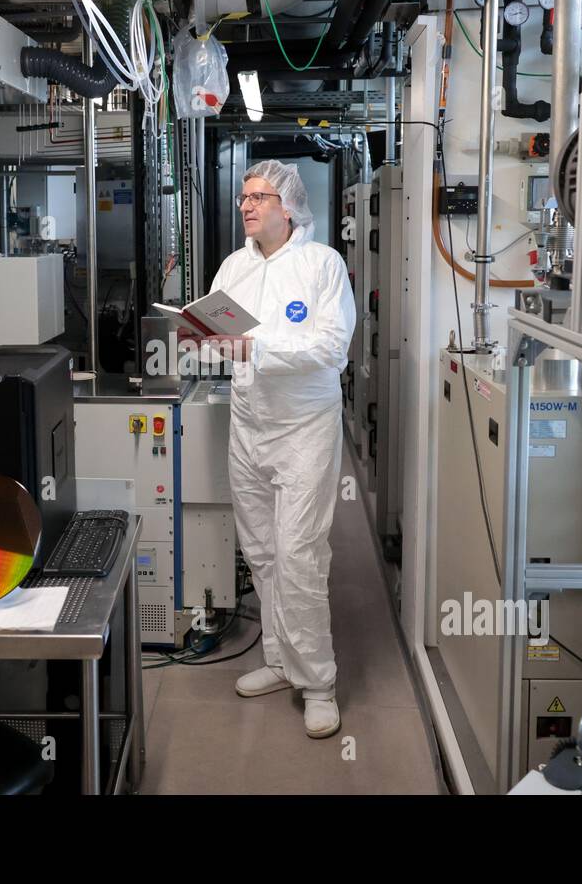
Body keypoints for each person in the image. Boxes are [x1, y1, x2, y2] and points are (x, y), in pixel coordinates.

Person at [201, 159, 356, 738]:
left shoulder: (321, 265)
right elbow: (216, 339)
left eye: (259, 196)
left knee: (299, 556)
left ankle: (318, 682)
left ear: (287, 206)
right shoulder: (234, 267)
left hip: (304, 430)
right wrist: (208, 342)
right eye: (244, 196)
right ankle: (277, 660)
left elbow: (332, 347)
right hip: (248, 423)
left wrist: (256, 350)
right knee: (262, 551)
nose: (247, 205)